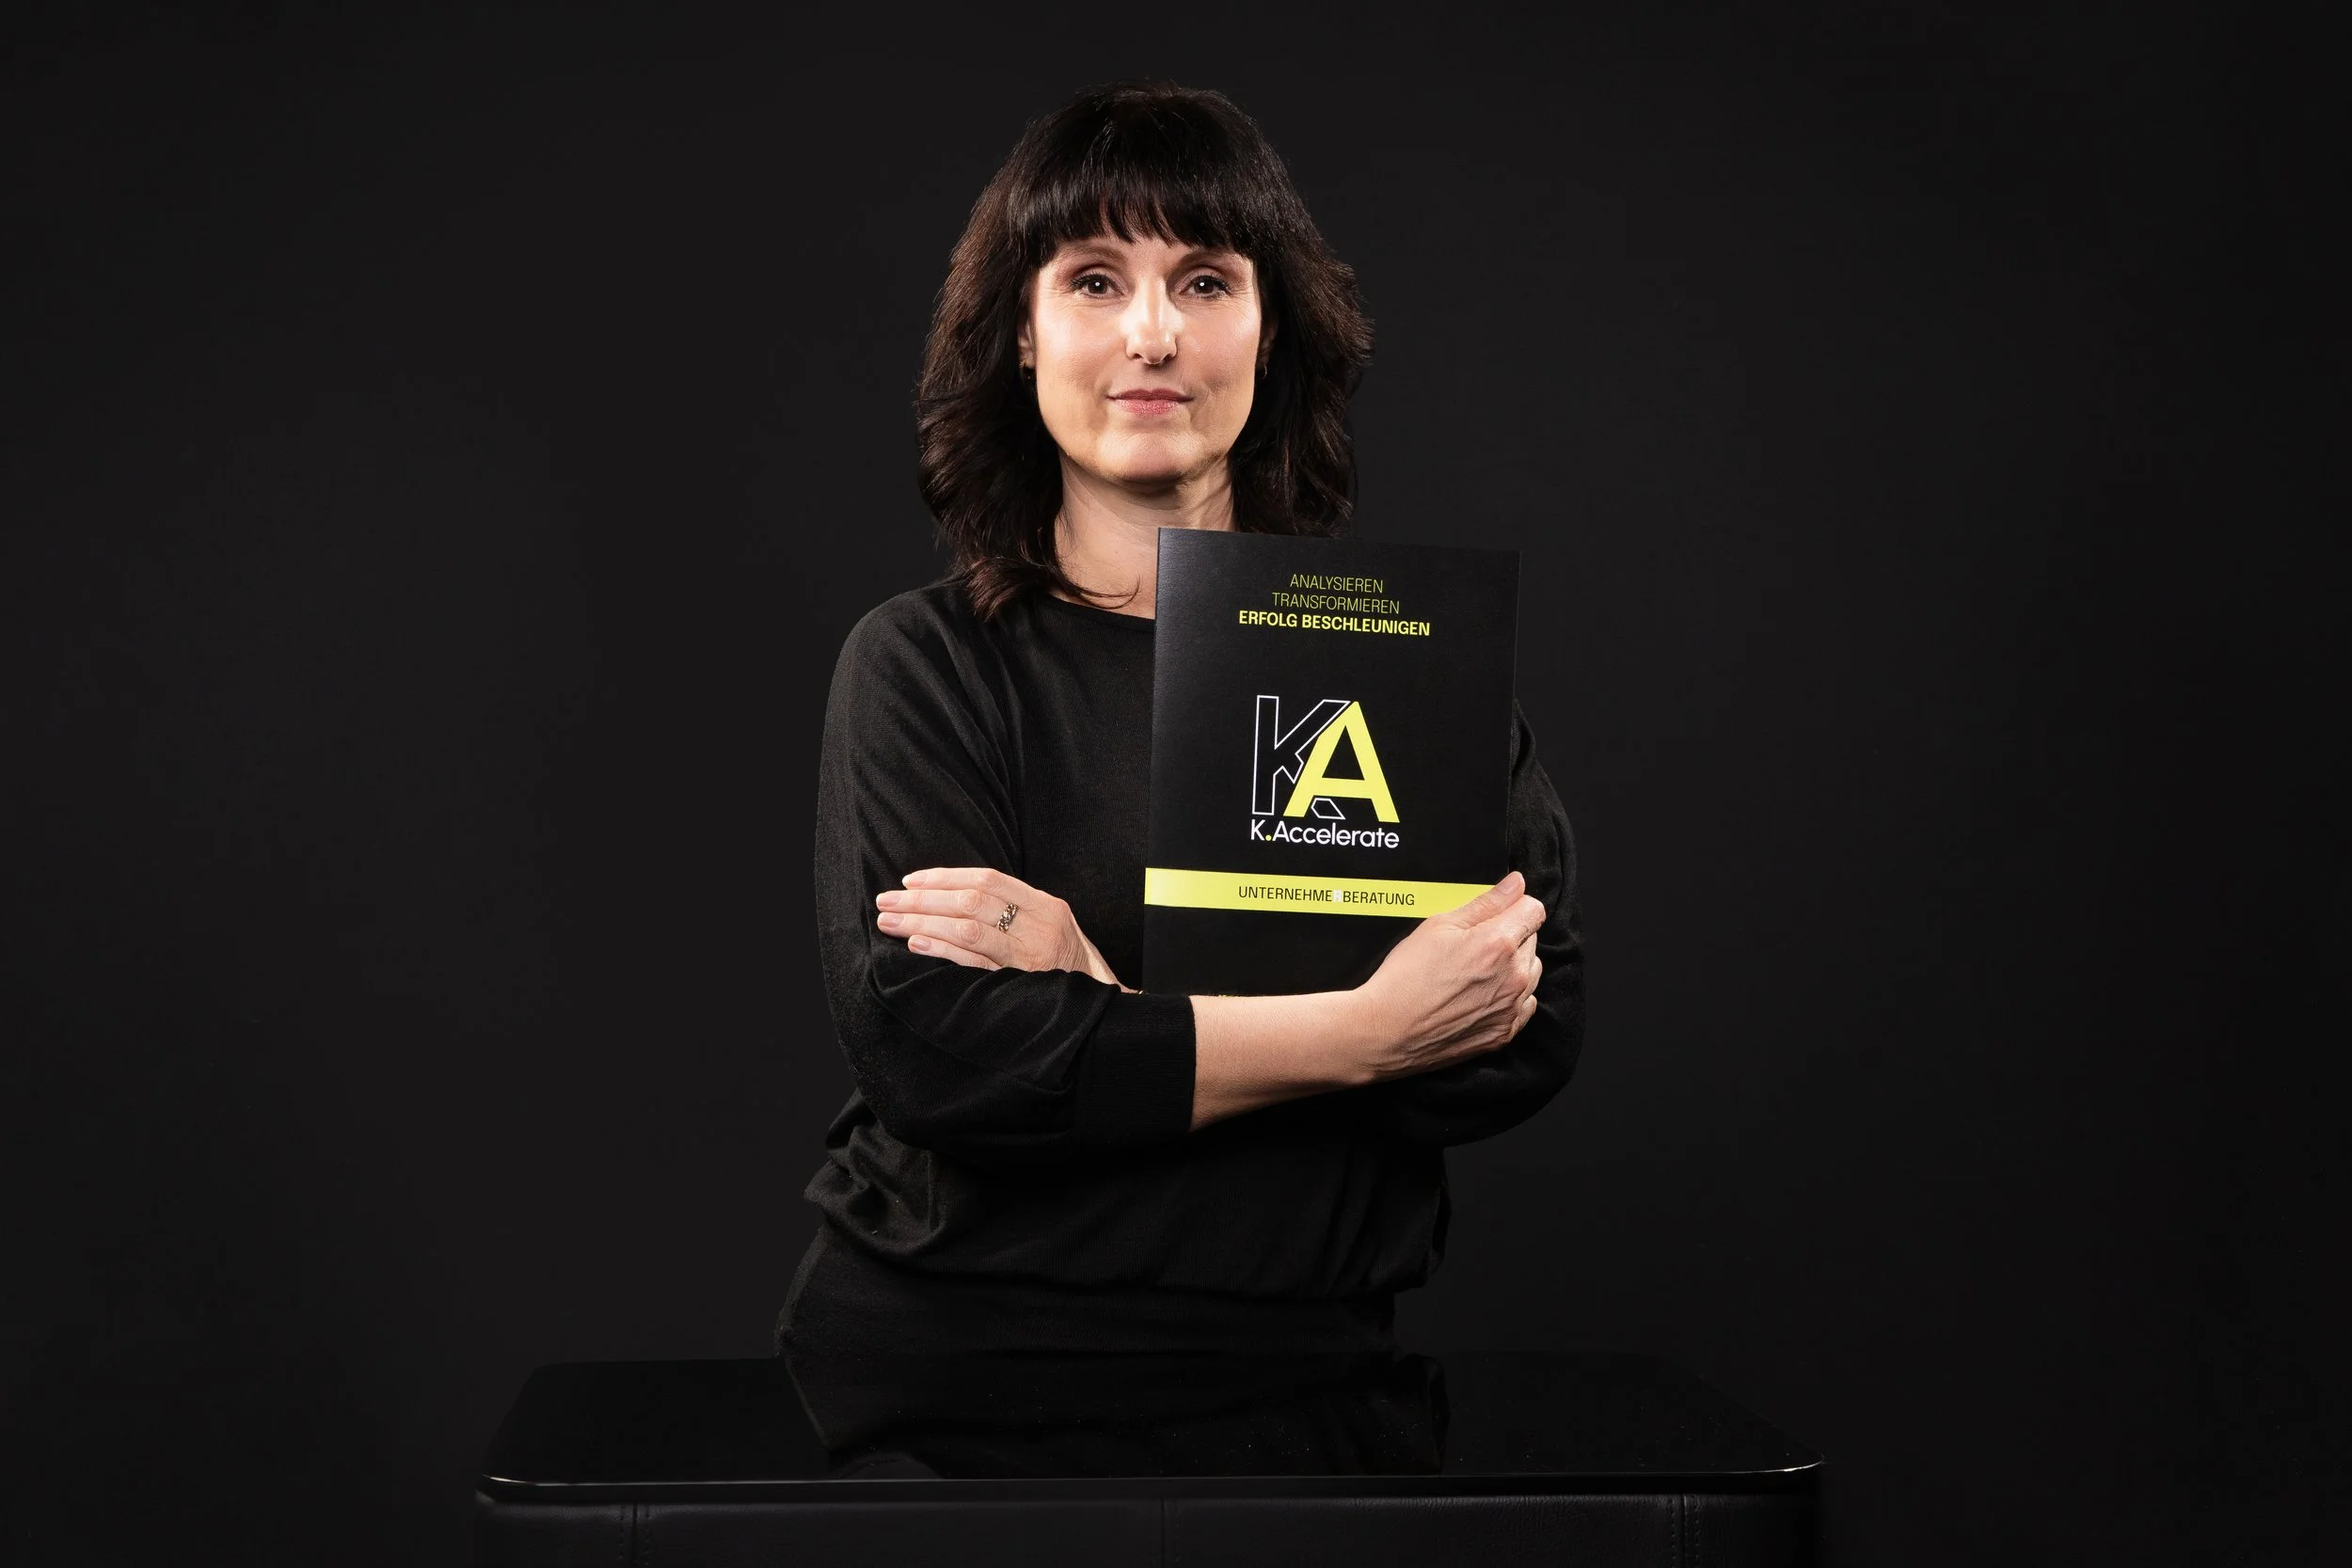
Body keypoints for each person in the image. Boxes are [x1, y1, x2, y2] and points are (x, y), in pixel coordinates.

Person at [778, 81, 1583, 1358]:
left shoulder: (1398, 654)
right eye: (1094, 281)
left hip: (1319, 1371)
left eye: (1205, 282)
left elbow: (1527, 1027)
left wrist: (1110, 1001)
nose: (1152, 335)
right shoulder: (924, 667)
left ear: (1271, 329)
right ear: (1025, 332)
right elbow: (943, 1060)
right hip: (964, 1374)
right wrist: (1370, 1032)